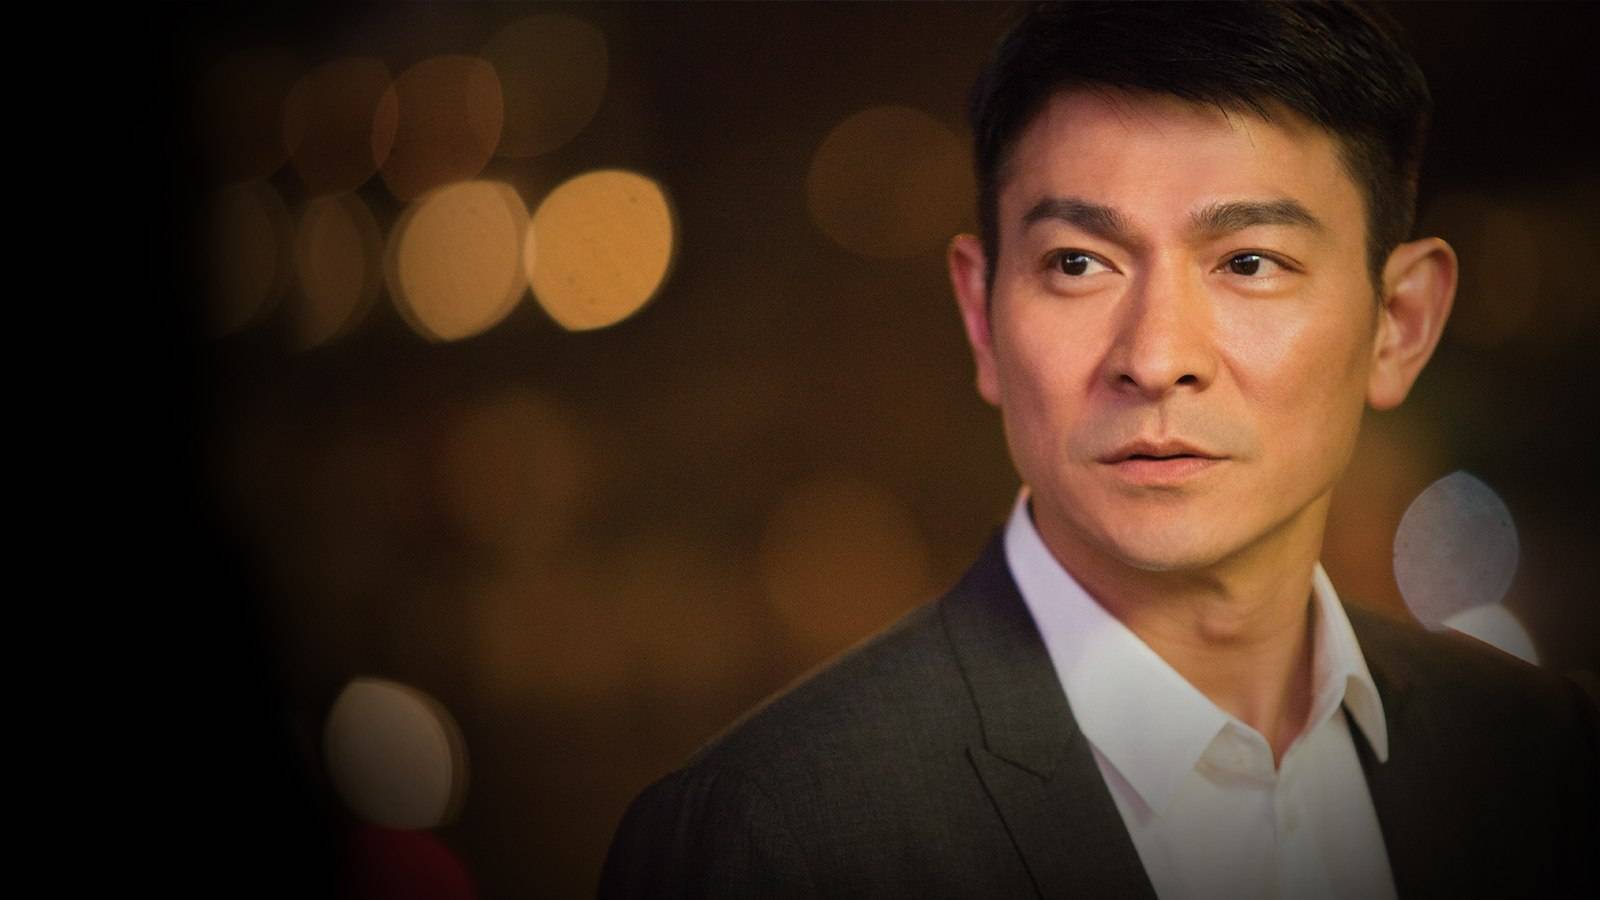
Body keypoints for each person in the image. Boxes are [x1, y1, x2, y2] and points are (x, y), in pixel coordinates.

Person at [599, 3, 1599, 897]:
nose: (1155, 359)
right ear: (981, 317)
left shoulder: (1539, 759)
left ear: (1399, 324)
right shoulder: (774, 838)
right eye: (1078, 262)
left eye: (1250, 262)